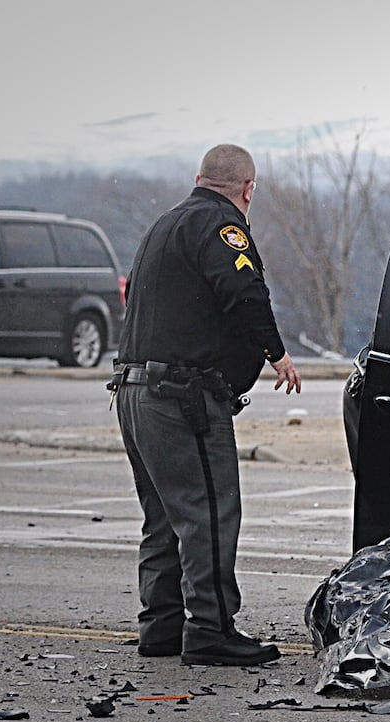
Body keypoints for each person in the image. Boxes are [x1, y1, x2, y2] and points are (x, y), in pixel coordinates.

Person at [110, 143, 302, 667]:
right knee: (210, 514)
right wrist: (277, 353)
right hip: (181, 398)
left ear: (199, 178)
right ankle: (211, 630)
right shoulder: (221, 227)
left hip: (133, 391)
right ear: (248, 189)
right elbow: (244, 291)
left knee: (164, 516)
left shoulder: (164, 224)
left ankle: (162, 627)